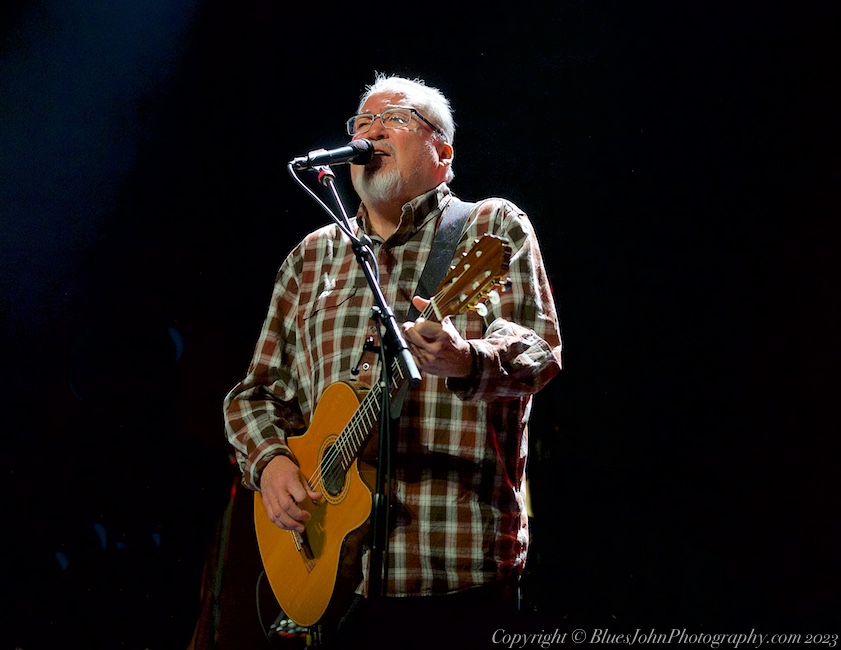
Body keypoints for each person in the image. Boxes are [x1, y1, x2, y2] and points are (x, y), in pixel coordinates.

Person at [223, 73, 562, 648]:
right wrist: (274, 466)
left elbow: (541, 352)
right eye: (362, 123)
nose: (372, 131)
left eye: (396, 119)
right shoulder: (310, 259)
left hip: (455, 574)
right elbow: (252, 397)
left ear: (443, 151)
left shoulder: (491, 227)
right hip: (337, 588)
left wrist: (468, 359)